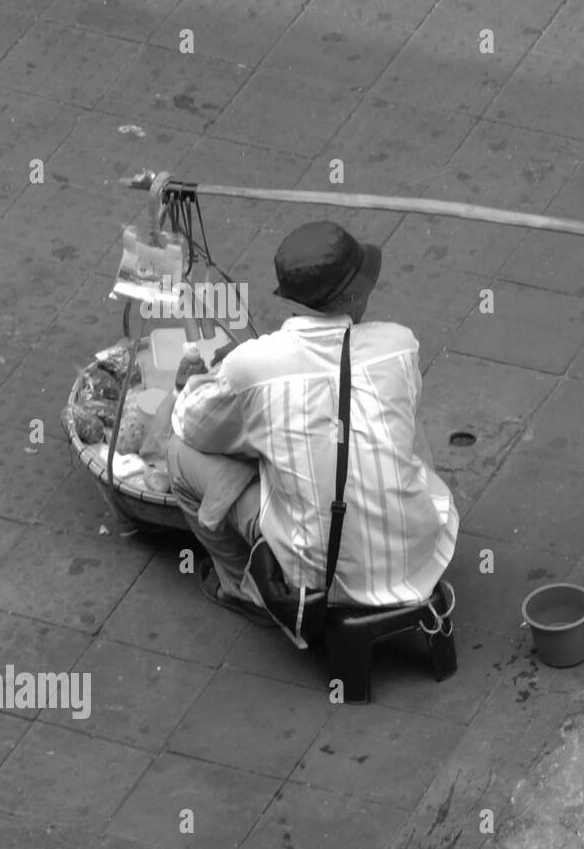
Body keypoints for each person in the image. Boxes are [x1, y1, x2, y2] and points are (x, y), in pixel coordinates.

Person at [165, 220, 458, 677]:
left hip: (317, 576)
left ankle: (242, 589)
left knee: (178, 455)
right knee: (397, 415)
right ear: (350, 300)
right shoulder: (398, 345)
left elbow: (191, 425)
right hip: (420, 550)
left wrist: (197, 385)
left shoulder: (254, 365)